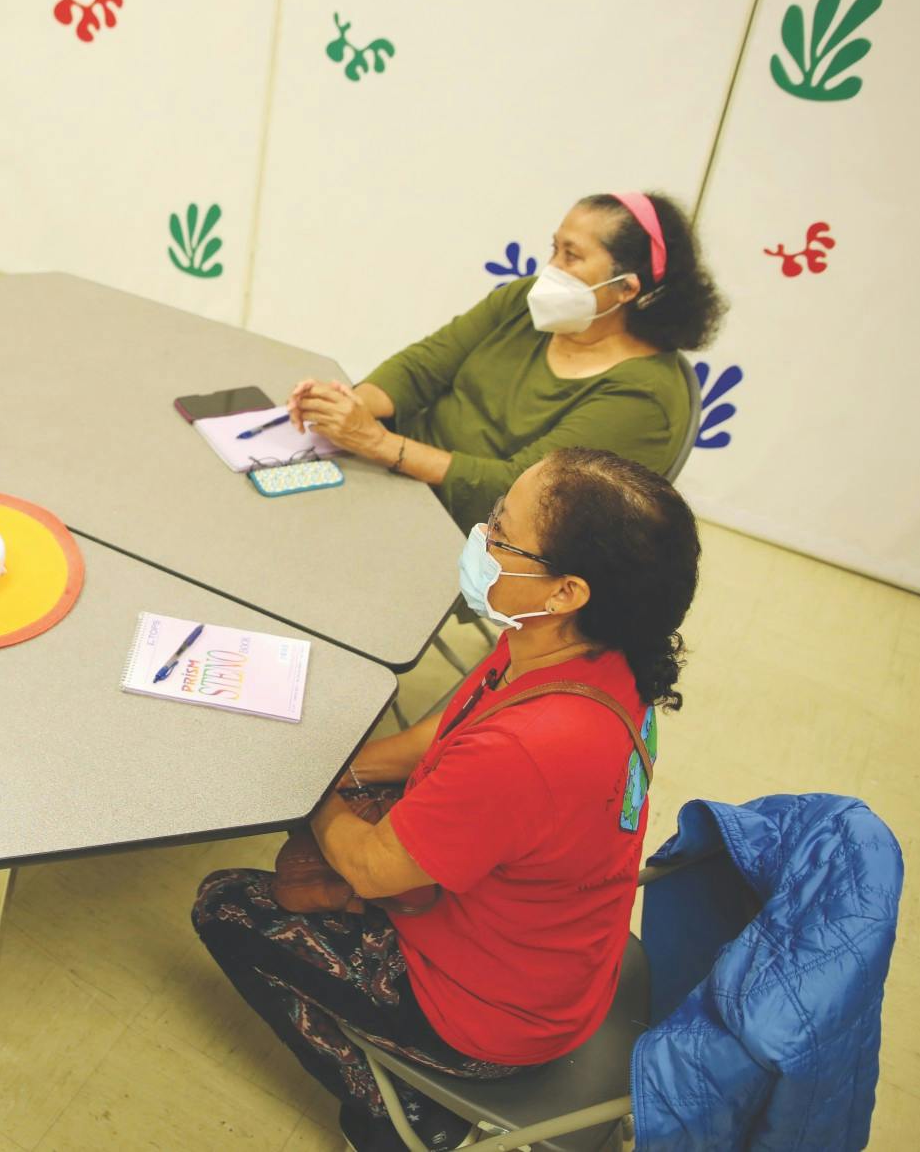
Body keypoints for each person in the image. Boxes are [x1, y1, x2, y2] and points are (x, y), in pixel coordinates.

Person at [192, 447, 701, 1151]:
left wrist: (304, 782)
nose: (483, 536)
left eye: (502, 532)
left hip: (487, 1019)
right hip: (563, 960)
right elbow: (445, 726)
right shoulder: (579, 651)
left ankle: (397, 1121)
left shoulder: (531, 747)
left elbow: (372, 869)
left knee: (225, 903)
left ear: (566, 591)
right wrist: (341, 772)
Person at [288, 192, 723, 531]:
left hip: (480, 527)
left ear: (627, 288)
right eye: (554, 249)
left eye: (571, 256)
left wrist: (375, 443)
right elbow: (425, 364)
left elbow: (517, 489)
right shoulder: (526, 304)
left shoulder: (643, 400)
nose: (549, 269)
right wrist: (348, 407)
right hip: (396, 472)